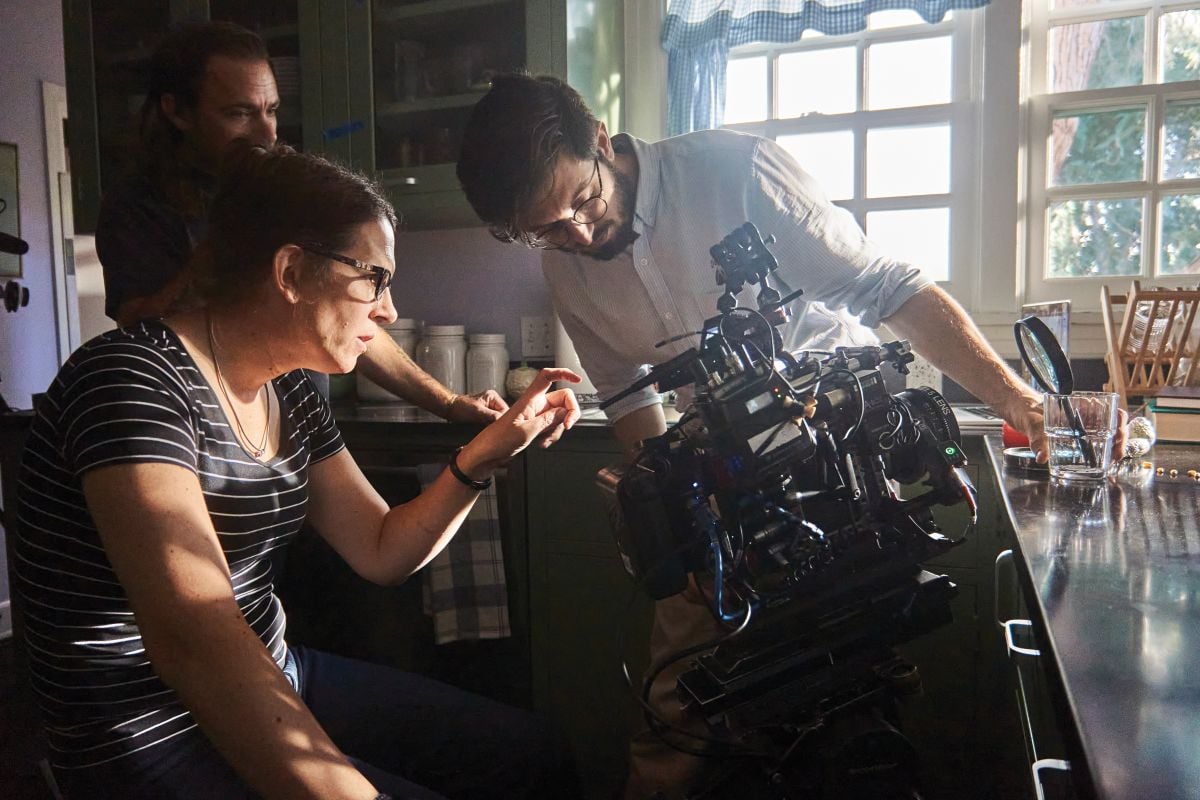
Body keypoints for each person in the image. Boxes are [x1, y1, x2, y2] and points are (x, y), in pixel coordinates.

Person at [455, 73, 1071, 799]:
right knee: (679, 702)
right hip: (723, 483)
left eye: (583, 202)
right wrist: (677, 519)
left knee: (845, 685)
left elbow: (885, 287)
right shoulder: (566, 268)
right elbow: (630, 394)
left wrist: (1014, 397)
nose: (577, 235)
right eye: (547, 229)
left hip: (838, 465)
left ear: (600, 141)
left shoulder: (736, 172)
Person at [14, 140, 581, 800]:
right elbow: (194, 643)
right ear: (290, 272)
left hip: (275, 672)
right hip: (144, 730)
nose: (389, 309)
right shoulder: (132, 383)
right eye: (374, 278)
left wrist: (482, 457)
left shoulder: (294, 391)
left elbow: (381, 549)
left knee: (533, 755)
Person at [95, 21, 501, 423]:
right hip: (205, 423)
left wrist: (448, 404)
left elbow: (353, 317)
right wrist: (214, 256)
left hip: (296, 418)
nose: (265, 132)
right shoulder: (137, 206)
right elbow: (139, 333)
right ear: (177, 112)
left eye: (271, 110)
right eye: (239, 113)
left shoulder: (281, 191)